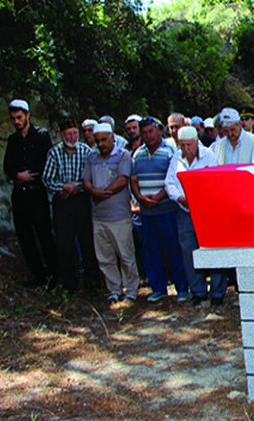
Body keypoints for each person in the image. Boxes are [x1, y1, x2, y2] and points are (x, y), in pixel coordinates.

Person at [165, 126, 228, 307]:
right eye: (183, 145)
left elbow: (215, 181)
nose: (186, 149)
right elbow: (170, 183)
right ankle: (198, 291)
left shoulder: (208, 156)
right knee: (188, 252)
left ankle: (217, 292)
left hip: (206, 212)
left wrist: (199, 198)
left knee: (213, 251)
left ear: (196, 143)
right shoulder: (176, 158)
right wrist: (179, 197)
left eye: (189, 145)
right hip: (184, 211)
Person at [130, 117, 189, 303]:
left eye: (150, 131)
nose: (148, 136)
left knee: (174, 249)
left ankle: (182, 288)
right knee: (151, 250)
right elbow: (133, 179)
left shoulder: (170, 150)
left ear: (158, 130)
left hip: (166, 210)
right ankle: (158, 288)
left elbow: (173, 178)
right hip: (147, 212)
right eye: (144, 132)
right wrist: (140, 198)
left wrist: (158, 197)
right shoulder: (138, 154)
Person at [82, 123, 139, 303]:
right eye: (97, 141)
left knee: (126, 255)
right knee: (105, 257)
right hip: (98, 217)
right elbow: (85, 180)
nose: (100, 144)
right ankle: (114, 289)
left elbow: (123, 180)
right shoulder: (92, 158)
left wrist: (101, 193)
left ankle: (131, 289)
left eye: (104, 140)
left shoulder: (123, 155)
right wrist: (93, 191)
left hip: (119, 216)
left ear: (112, 137)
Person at [42, 117, 100, 293]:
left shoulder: (85, 151)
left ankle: (92, 284)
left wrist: (77, 187)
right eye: (69, 134)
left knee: (87, 241)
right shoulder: (54, 153)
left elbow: (91, 177)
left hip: (82, 200)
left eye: (75, 133)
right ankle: (69, 284)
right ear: (61, 135)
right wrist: (63, 187)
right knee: (64, 244)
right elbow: (47, 179)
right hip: (62, 202)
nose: (73, 137)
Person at [3, 99, 56, 288]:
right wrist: (18, 175)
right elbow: (7, 166)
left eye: (19, 117)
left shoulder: (41, 136)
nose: (16, 122)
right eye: (13, 119)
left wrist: (30, 176)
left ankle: (53, 276)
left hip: (37, 193)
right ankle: (38, 275)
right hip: (20, 195)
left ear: (27, 115)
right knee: (25, 237)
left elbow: (48, 163)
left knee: (45, 235)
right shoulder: (13, 140)